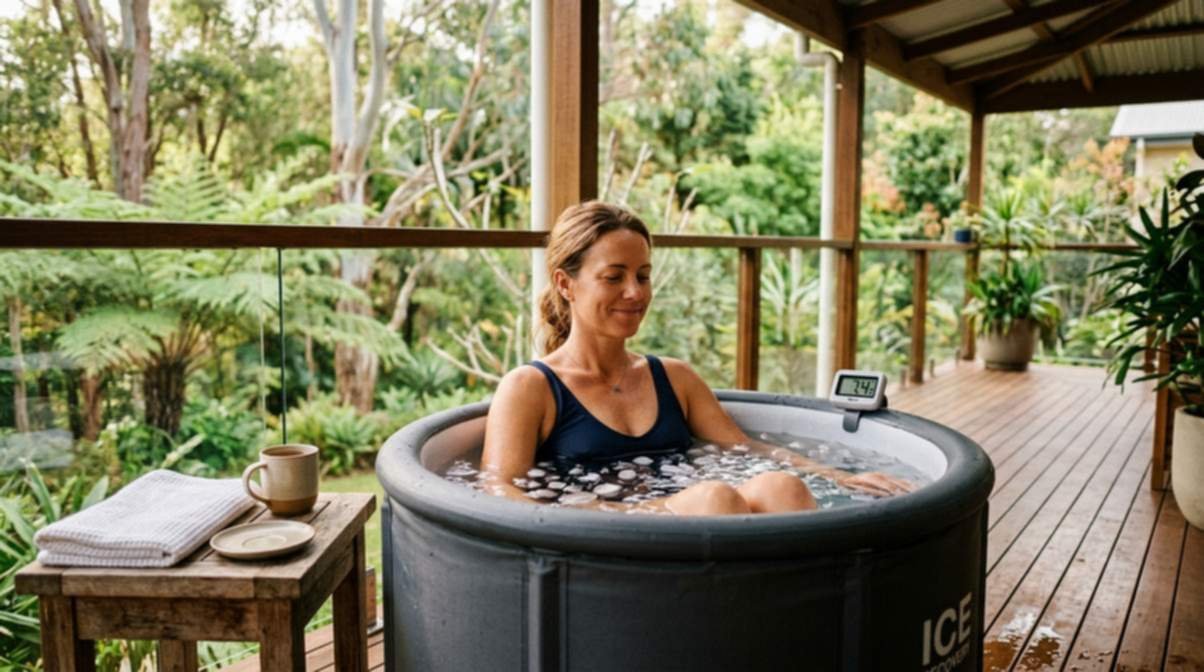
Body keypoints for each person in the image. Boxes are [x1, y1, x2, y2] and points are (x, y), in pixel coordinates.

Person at [481, 201, 910, 515]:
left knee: (783, 488)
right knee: (714, 498)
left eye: (643, 276)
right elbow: (498, 490)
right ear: (566, 284)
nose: (636, 292)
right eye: (614, 277)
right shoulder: (531, 388)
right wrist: (606, 515)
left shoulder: (673, 377)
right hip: (610, 548)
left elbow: (743, 447)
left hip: (693, 521)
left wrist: (838, 476)